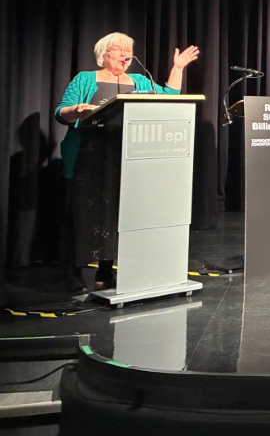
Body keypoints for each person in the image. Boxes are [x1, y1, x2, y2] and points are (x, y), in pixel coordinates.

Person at [54, 32, 199, 290]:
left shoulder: (139, 81)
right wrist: (75, 110)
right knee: (83, 214)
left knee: (116, 214)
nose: (125, 54)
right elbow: (62, 110)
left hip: (126, 156)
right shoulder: (86, 79)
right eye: (119, 49)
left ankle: (106, 271)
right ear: (104, 54)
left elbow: (167, 96)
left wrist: (177, 68)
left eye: (128, 50)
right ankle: (74, 271)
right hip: (88, 156)